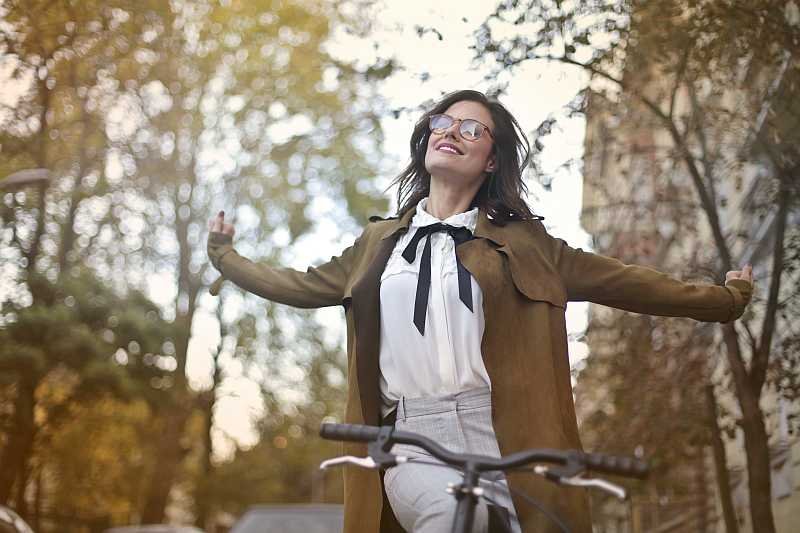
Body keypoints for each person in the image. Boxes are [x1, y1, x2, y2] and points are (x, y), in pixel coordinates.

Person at [207, 89, 753, 533]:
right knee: (448, 517)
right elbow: (299, 285)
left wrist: (724, 301)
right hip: (412, 436)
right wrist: (226, 258)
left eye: (471, 128)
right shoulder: (378, 244)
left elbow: (628, 283)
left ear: (490, 160)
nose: (451, 132)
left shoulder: (529, 245)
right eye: (443, 122)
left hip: (509, 435)